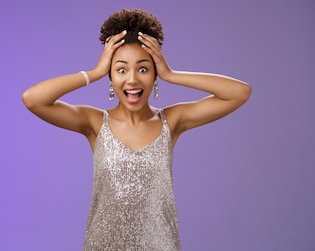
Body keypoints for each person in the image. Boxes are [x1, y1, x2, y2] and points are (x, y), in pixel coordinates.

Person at [21, 9, 251, 250]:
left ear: (155, 75)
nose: (132, 80)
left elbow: (239, 93)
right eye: (121, 69)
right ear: (111, 76)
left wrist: (171, 74)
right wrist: (94, 73)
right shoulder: (95, 123)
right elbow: (33, 99)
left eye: (143, 69)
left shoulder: (171, 121)